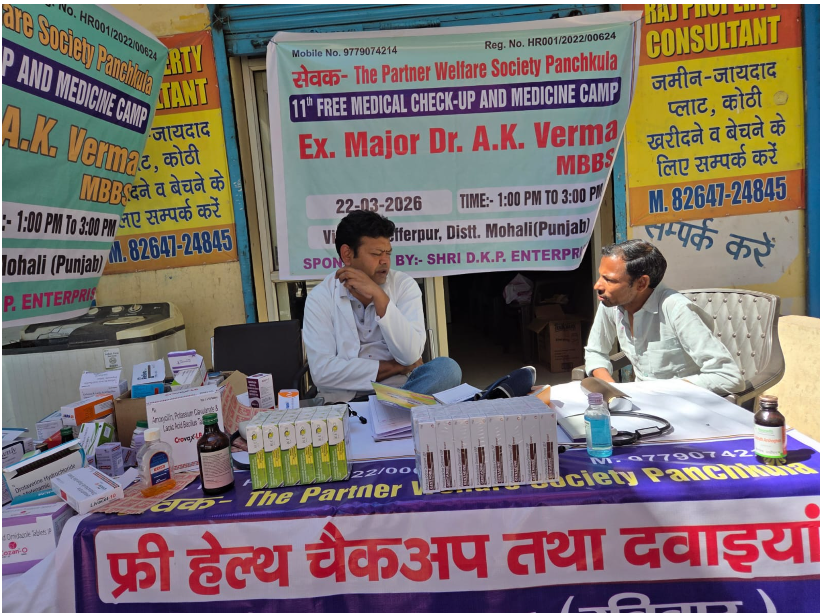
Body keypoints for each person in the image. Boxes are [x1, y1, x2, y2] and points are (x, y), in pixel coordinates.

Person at [303, 210, 462, 403]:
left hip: (400, 391)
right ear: (347, 254)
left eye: (388, 253)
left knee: (447, 369)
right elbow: (322, 373)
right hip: (344, 400)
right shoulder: (320, 297)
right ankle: (392, 412)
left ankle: (390, 410)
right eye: (376, 254)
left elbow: (410, 355)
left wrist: (379, 297)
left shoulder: (403, 285)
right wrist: (397, 367)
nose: (385, 261)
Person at [583, 239, 744, 395]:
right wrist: (613, 391)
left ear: (641, 284)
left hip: (683, 403)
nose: (597, 285)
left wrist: (661, 390)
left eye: (609, 280)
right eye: (601, 276)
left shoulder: (678, 310)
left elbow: (728, 377)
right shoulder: (611, 302)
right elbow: (596, 352)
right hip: (640, 401)